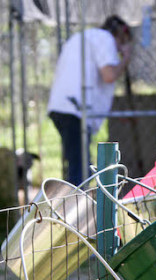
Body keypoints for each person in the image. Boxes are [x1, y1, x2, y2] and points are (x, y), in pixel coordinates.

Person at [47, 15, 133, 185]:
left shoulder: (84, 37)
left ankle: (76, 203)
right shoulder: (106, 39)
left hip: (62, 106)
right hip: (75, 108)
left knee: (79, 163)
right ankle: (77, 207)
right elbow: (109, 75)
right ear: (121, 36)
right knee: (80, 169)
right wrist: (126, 59)